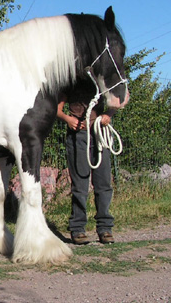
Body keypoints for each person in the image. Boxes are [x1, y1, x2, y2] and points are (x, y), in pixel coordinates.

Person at [57, 79, 117, 245]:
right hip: (78, 136)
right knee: (80, 185)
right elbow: (57, 109)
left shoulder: (102, 82)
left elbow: (119, 100)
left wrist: (108, 115)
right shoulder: (71, 82)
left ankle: (105, 228)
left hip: (100, 133)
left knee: (103, 183)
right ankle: (78, 228)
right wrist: (67, 119)